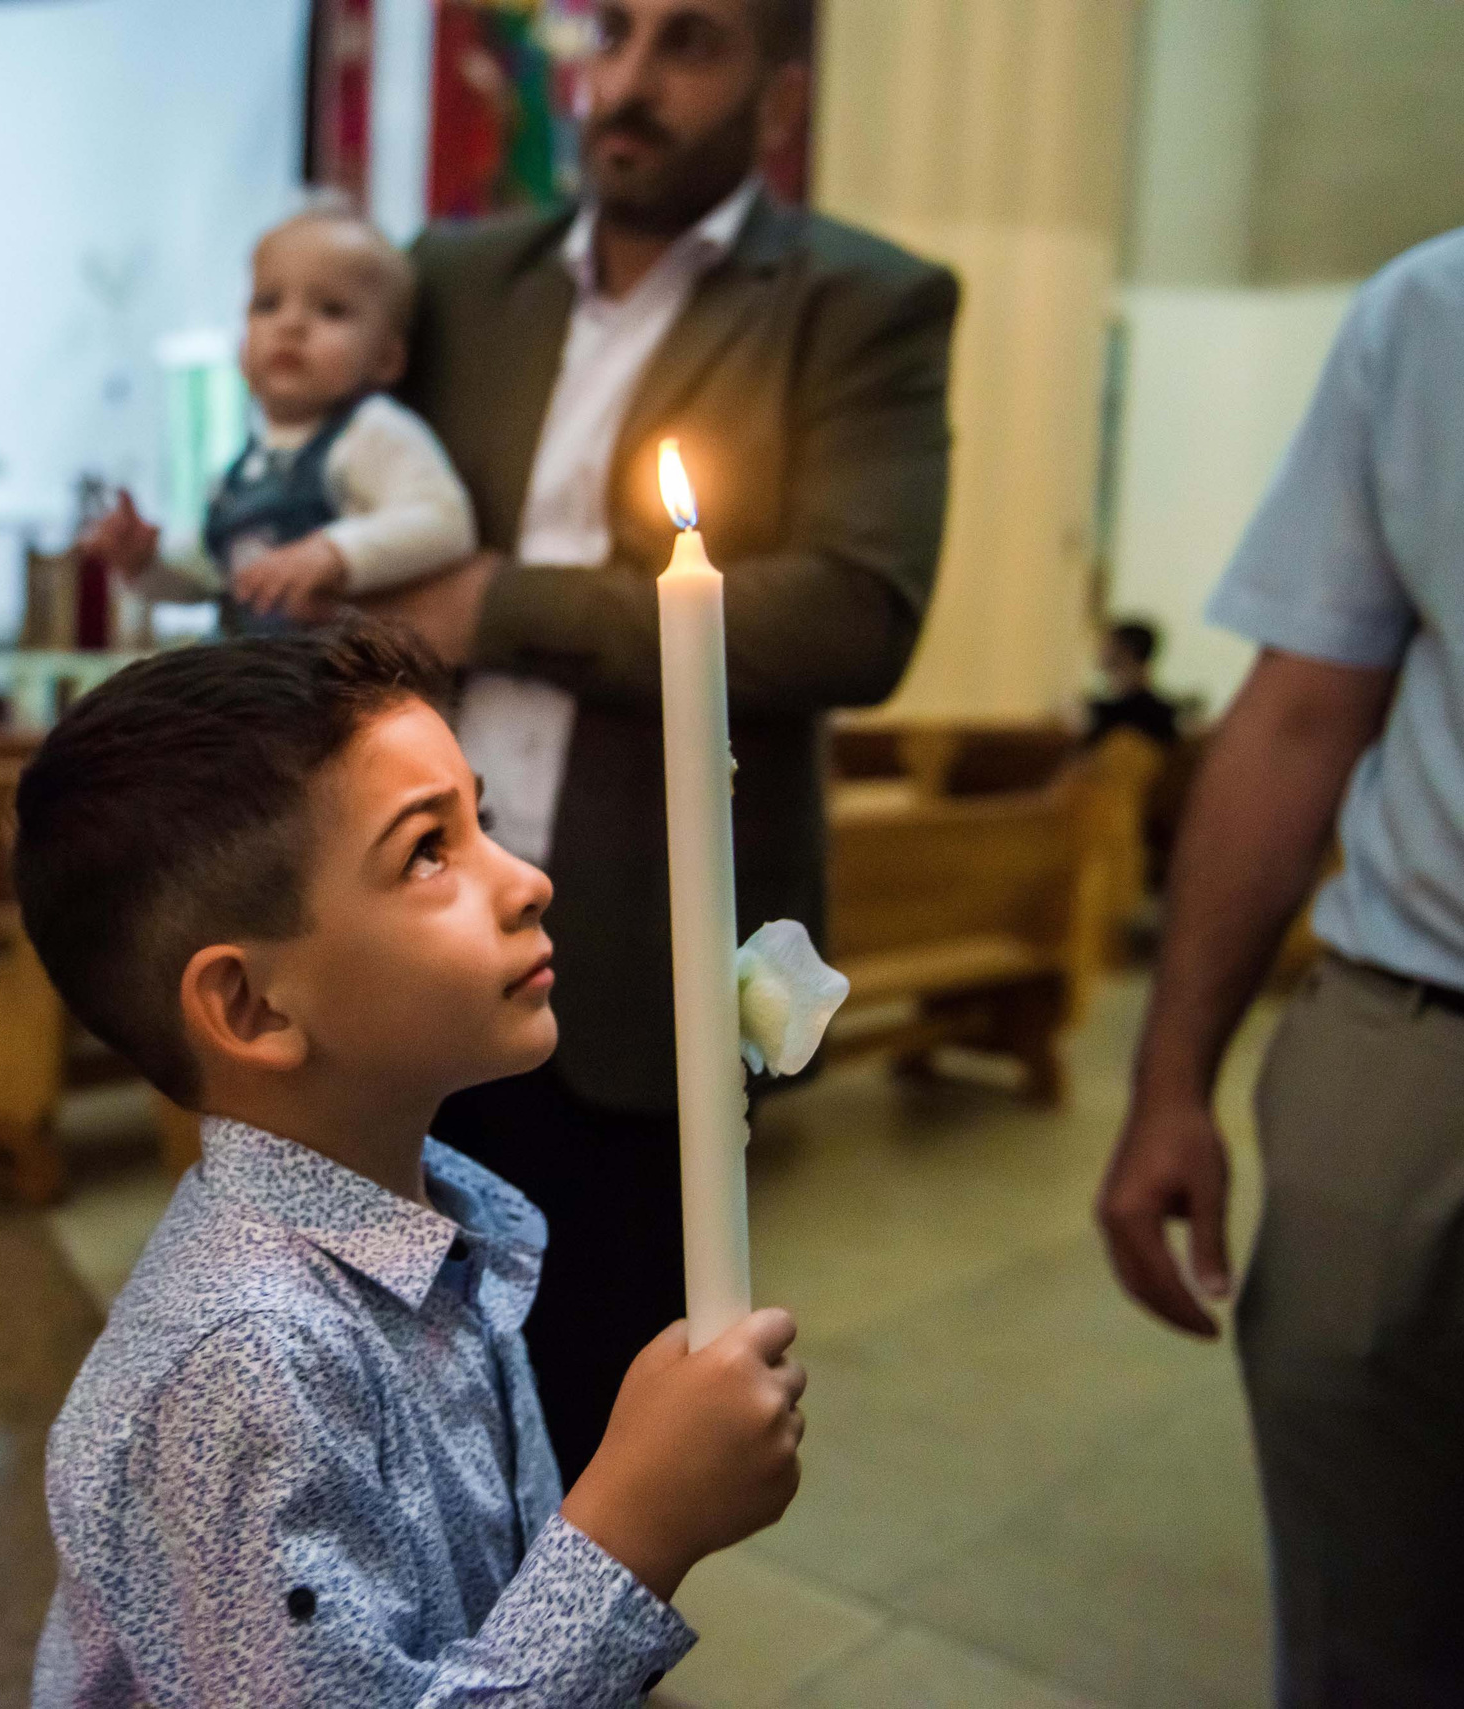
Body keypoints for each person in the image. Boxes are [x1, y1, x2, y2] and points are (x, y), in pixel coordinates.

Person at [1096, 6, 1464, 1700]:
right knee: (1365, 1658)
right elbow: (1296, 719)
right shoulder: (1449, 309)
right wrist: (1170, 1073)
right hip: (1408, 1080)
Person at [16, 623, 808, 1706]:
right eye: (427, 850)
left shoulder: (440, 1211)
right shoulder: (243, 1367)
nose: (527, 879)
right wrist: (632, 1531)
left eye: (479, 818)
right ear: (251, 1005)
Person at [399, 0, 955, 1477]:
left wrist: (502, 603)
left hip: (641, 964)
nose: (630, 82)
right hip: (410, 920)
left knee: (604, 1417)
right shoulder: (457, 278)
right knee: (407, 1397)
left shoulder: (857, 300)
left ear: (778, 95)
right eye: (618, 31)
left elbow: (855, 613)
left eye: (689, 42)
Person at [78, 201, 476, 636]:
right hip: (250, 687)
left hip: (333, 688)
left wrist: (333, 554)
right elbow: (213, 580)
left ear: (386, 358)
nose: (292, 324)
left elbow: (445, 522)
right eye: (268, 304)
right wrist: (144, 565)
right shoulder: (243, 467)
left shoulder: (372, 432)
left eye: (331, 310)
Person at [1084, 619, 1181, 747]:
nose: (1099, 649)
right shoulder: (1162, 713)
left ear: (1125, 651)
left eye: (1106, 644)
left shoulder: (1151, 715)